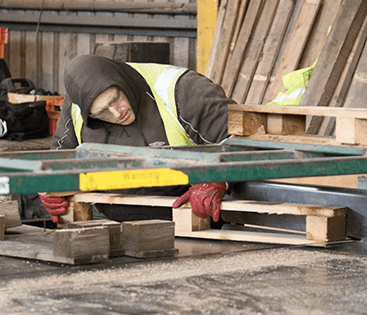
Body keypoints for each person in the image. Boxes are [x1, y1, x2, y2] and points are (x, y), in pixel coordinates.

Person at [40, 54, 235, 223]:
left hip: (193, 220)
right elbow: (60, 158)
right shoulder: (76, 107)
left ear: (121, 82)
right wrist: (52, 186)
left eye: (116, 99)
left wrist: (218, 180)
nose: (116, 113)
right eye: (102, 112)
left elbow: (240, 143)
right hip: (107, 223)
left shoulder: (183, 90)